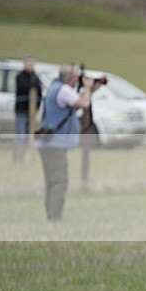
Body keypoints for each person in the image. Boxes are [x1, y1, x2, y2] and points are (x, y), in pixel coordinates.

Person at [35, 63, 97, 221]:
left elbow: (70, 108)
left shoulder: (54, 87)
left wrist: (89, 90)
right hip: (55, 144)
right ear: (71, 78)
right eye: (76, 76)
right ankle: (55, 217)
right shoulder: (64, 90)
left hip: (47, 143)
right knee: (60, 181)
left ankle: (51, 215)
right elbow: (84, 104)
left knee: (51, 181)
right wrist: (88, 88)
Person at [14, 56, 43, 164]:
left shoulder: (36, 77)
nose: (30, 66)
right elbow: (23, 87)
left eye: (32, 64)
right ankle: (17, 158)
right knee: (20, 136)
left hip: (31, 112)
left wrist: (37, 108)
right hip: (21, 111)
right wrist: (32, 85)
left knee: (28, 137)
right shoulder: (20, 77)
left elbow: (38, 92)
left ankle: (23, 158)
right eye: (28, 64)